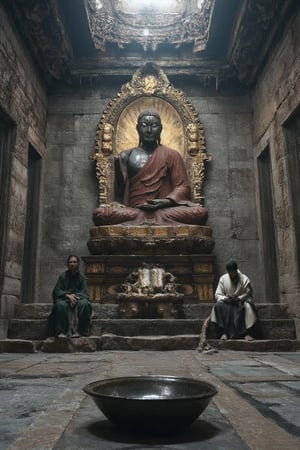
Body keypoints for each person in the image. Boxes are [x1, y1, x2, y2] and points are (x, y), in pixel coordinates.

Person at [93, 110, 208, 226]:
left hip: (164, 210)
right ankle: (151, 219)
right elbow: (119, 192)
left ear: (161, 129)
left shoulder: (172, 155)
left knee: (200, 213)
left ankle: (147, 220)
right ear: (137, 129)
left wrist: (166, 201)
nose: (149, 131)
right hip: (135, 210)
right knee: (100, 214)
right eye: (144, 126)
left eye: (154, 126)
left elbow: (183, 187)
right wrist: (119, 167)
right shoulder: (126, 155)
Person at [211, 260, 257, 341]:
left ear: (236, 270)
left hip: (240, 302)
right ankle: (224, 333)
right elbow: (217, 294)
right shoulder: (223, 279)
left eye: (233, 272)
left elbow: (249, 293)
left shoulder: (244, 279)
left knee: (247, 307)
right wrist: (225, 298)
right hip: (227, 303)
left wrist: (239, 298)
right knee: (218, 306)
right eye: (230, 272)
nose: (232, 274)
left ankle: (245, 333)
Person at [47, 255, 92, 338]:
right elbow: (57, 291)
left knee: (84, 304)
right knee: (60, 305)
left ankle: (81, 332)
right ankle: (61, 332)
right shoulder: (62, 276)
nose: (72, 264)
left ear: (78, 264)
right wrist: (67, 295)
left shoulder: (81, 277)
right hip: (64, 299)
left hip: (78, 299)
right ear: (67, 264)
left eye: (74, 262)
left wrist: (74, 297)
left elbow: (85, 293)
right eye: (70, 262)